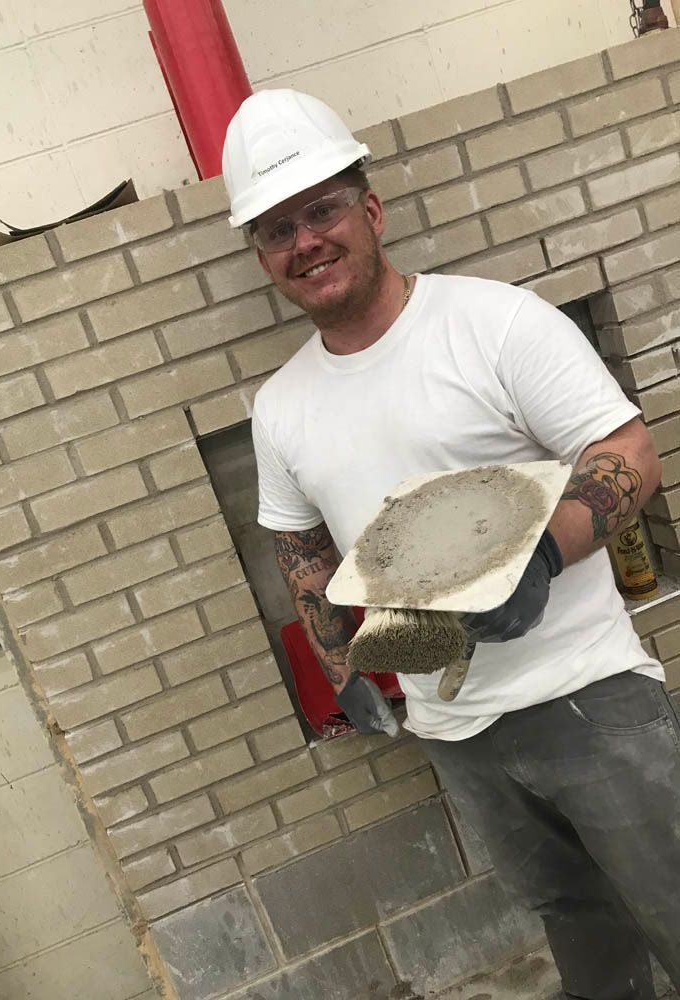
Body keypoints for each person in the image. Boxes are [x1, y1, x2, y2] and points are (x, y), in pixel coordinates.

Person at [221, 88, 680, 998]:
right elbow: (300, 548)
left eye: (322, 210)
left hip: (585, 693)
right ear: (263, 256)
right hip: (457, 726)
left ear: (371, 210)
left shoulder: (492, 324)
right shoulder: (281, 409)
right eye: (277, 229)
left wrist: (541, 555)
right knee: (575, 921)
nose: (305, 241)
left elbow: (630, 453)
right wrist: (350, 672)